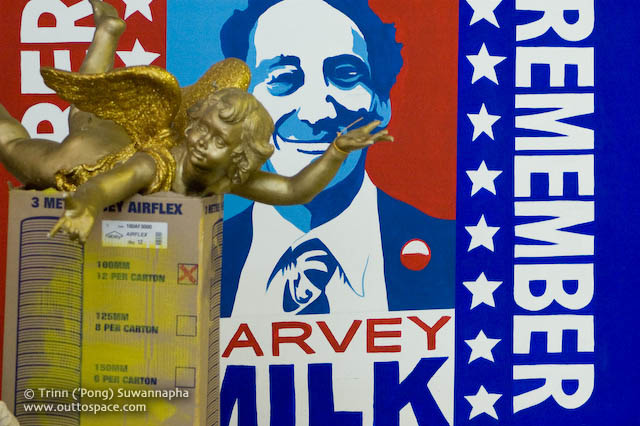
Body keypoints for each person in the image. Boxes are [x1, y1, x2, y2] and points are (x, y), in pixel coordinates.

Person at [0, 0, 391, 243]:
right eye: (203, 129)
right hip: (88, 159)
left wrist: (336, 150)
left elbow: (293, 190)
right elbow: (109, 183)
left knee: (85, 111)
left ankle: (107, 31)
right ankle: (107, 32)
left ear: (237, 159)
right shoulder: (159, 165)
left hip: (119, 136)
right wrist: (86, 204)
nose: (202, 142)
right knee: (19, 145)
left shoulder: (223, 177)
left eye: (219, 141)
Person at [219, 0, 456, 316]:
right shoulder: (205, 255)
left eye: (345, 75)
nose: (316, 113)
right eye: (283, 78)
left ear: (381, 104)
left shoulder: (451, 250)